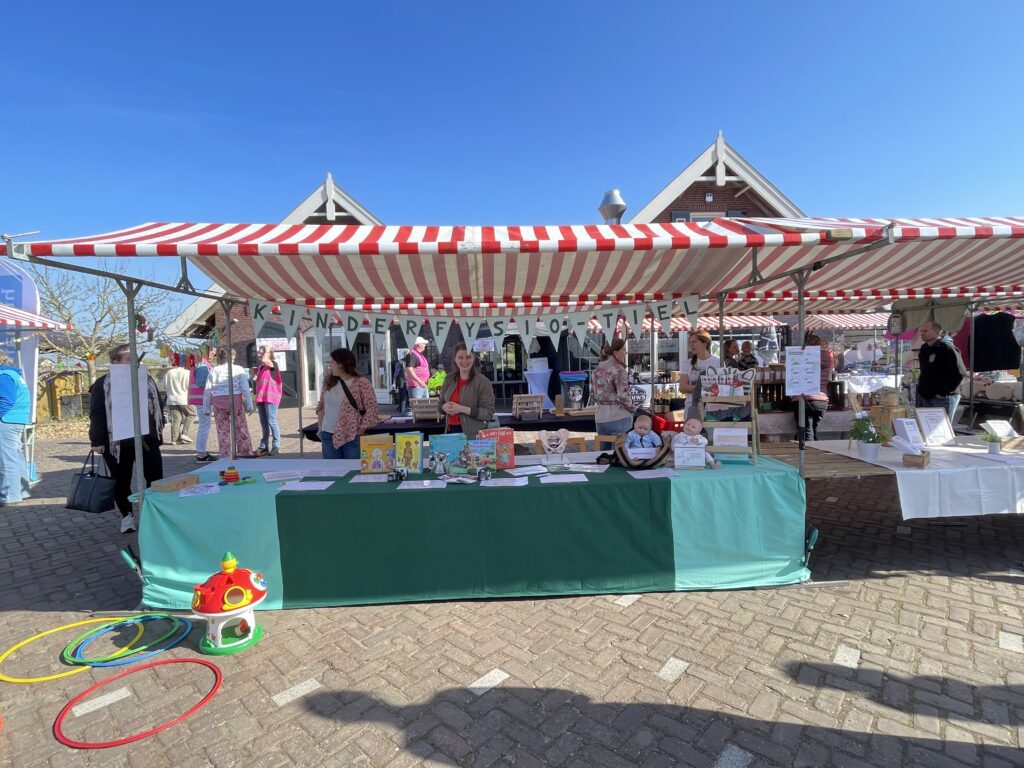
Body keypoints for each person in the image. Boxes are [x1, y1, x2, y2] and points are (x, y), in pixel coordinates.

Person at [88, 344, 164, 533]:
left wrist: (158, 432)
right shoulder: (102, 384)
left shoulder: (146, 380)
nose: (134, 362)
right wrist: (97, 441)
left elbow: (157, 406)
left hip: (146, 439)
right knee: (121, 480)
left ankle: (154, 514)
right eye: (129, 359)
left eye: (135, 359)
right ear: (115, 362)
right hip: (116, 442)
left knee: (155, 477)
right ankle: (126, 515)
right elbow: (97, 413)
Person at [317, 347, 380, 458]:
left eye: (332, 363)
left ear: (341, 364)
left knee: (352, 468)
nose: (330, 366)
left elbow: (372, 408)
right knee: (332, 468)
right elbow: (321, 406)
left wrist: (360, 431)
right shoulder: (328, 382)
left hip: (352, 436)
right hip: (328, 435)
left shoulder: (361, 383)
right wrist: (320, 428)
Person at [203, 348, 255, 458]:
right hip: (235, 401)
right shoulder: (239, 369)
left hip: (219, 402)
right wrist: (250, 404)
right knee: (241, 428)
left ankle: (225, 454)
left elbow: (208, 390)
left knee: (222, 430)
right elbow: (245, 388)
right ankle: (245, 452)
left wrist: (206, 408)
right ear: (233, 357)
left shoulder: (214, 370)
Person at [438, 343, 496, 439]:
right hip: (450, 431)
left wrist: (461, 409)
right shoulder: (449, 379)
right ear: (455, 359)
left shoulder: (483, 382)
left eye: (468, 357)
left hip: (473, 434)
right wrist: (444, 407)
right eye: (460, 357)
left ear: (473, 359)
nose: (464, 361)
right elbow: (440, 405)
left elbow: (488, 413)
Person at [0, 351, 31, 504]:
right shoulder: (13, 374)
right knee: (16, 456)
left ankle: (10, 496)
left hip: (6, 420)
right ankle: (22, 491)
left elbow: (7, 400)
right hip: (16, 419)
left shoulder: (3, 376)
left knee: (7, 459)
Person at [789, 335, 831, 441]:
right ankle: (814, 449)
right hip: (821, 400)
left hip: (802, 398)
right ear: (820, 344)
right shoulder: (826, 357)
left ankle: (808, 450)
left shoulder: (801, 356)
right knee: (813, 431)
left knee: (807, 432)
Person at [591, 338, 635, 436]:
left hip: (600, 418)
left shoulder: (596, 370)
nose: (625, 353)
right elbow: (622, 396)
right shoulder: (619, 370)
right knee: (622, 446)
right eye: (623, 350)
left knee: (604, 446)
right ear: (615, 352)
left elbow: (593, 395)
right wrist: (633, 408)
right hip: (618, 416)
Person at [917, 321, 963, 412]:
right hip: (927, 395)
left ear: (937, 332)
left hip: (943, 397)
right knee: (927, 421)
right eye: (921, 331)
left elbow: (960, 372)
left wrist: (943, 393)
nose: (922, 333)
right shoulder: (924, 348)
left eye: (925, 331)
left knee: (943, 422)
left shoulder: (947, 348)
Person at [680, 331, 720, 420]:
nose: (691, 345)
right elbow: (682, 387)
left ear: (705, 343)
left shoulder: (717, 362)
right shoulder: (687, 363)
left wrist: (693, 388)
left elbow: (721, 386)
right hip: (691, 406)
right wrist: (704, 388)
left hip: (712, 407)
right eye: (690, 342)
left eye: (694, 342)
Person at [254, 345, 283, 456]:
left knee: (272, 421)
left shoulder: (273, 364)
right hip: (261, 397)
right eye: (259, 352)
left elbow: (266, 360)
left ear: (268, 353)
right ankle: (264, 446)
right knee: (264, 422)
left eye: (261, 352)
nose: (259, 354)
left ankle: (276, 446)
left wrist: (267, 349)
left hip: (271, 397)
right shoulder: (261, 367)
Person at [190, 350, 216, 462]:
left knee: (204, 426)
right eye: (212, 351)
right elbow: (201, 382)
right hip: (202, 400)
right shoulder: (202, 365)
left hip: (201, 399)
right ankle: (201, 454)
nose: (213, 354)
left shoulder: (202, 363)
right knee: (204, 426)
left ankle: (201, 452)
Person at [161, 359, 195, 445]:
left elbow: (164, 386)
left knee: (176, 419)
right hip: (184, 398)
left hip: (171, 398)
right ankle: (184, 434)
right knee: (192, 414)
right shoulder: (187, 373)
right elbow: (189, 386)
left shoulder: (168, 373)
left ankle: (174, 439)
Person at [940, 330, 968, 423]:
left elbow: (962, 371)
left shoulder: (948, 348)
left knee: (944, 424)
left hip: (948, 394)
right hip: (943, 394)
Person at [391, 350, 410, 416]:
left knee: (404, 396)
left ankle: (404, 410)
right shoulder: (400, 362)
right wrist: (394, 382)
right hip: (405, 381)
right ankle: (403, 411)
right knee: (404, 396)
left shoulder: (400, 362)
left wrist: (394, 382)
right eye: (406, 353)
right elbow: (396, 373)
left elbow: (396, 373)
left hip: (405, 381)